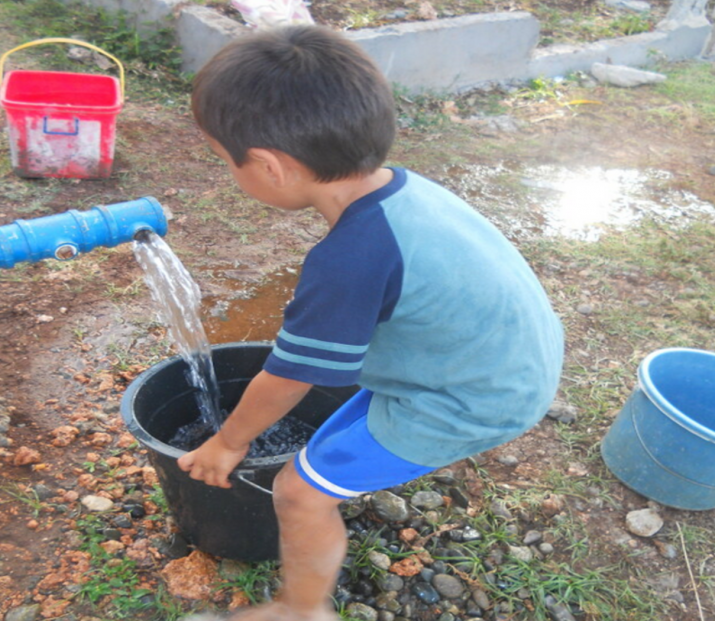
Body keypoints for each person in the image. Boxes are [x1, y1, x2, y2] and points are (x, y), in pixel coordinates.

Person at [177, 25, 564, 621]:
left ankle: (302, 609)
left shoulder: (350, 259)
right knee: (323, 450)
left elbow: (287, 377)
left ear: (269, 167)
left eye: (224, 160)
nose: (230, 174)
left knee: (297, 493)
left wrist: (229, 441)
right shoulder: (401, 190)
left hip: (473, 397)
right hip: (503, 358)